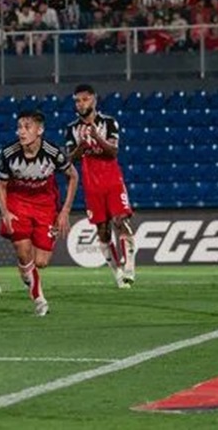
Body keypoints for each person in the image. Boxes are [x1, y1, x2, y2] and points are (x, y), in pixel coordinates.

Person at [0, 109, 79, 316]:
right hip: (18, 202)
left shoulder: (53, 153)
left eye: (27, 127)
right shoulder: (9, 153)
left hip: (45, 205)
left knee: (40, 262)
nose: (21, 132)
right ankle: (39, 300)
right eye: (19, 127)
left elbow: (73, 176)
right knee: (23, 251)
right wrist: (5, 211)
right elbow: (1, 186)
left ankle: (26, 270)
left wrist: (65, 211)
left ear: (39, 130)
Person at [66, 84, 136, 288]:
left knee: (120, 220)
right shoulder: (72, 129)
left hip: (113, 180)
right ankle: (118, 274)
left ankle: (130, 267)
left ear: (94, 100)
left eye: (85, 99)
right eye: (78, 101)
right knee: (103, 231)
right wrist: (82, 146)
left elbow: (114, 152)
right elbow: (69, 159)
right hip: (91, 184)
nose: (81, 104)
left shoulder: (109, 123)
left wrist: (97, 138)